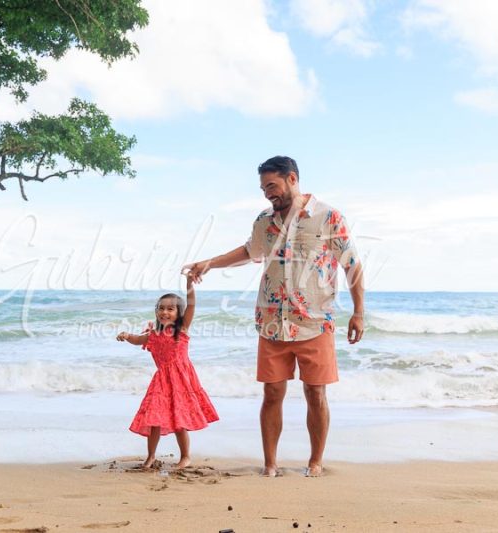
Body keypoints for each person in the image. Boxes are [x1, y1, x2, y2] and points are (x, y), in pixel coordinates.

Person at [184, 155, 364, 477]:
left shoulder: (328, 217)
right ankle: (270, 464)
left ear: (292, 179)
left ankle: (315, 462)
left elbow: (352, 264)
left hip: (315, 322)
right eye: (263, 188)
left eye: (272, 186)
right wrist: (209, 263)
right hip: (271, 322)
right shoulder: (264, 220)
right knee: (271, 393)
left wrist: (358, 312)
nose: (268, 193)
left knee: (315, 393)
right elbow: (248, 251)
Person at [116, 275, 219, 469]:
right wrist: (126, 335)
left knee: (179, 419)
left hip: (181, 381)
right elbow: (137, 340)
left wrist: (189, 284)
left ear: (179, 313)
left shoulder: (182, 330)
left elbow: (192, 305)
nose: (165, 312)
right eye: (161, 308)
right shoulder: (153, 335)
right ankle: (150, 456)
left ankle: (185, 456)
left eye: (170, 309)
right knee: (153, 418)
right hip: (161, 381)